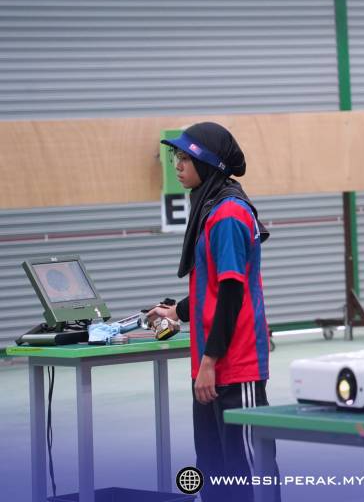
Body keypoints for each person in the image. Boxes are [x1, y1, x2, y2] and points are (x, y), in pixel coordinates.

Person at [148, 121, 279, 501]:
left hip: (234, 366)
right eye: (175, 156)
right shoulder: (209, 208)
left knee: (250, 473)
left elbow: (233, 294)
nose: (177, 164)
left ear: (208, 164)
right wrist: (178, 312)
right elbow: (213, 286)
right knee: (213, 471)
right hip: (211, 364)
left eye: (185, 157)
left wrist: (210, 362)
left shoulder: (228, 214)